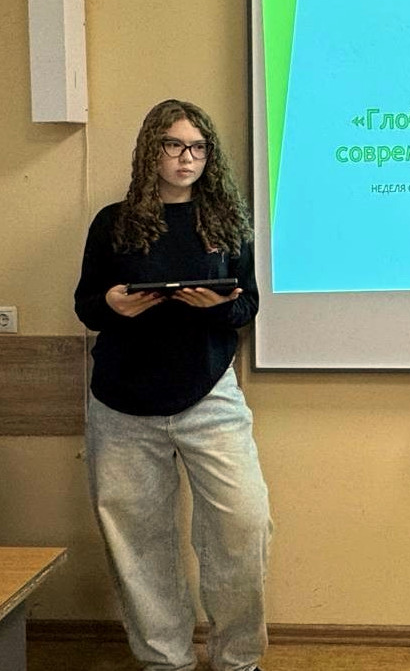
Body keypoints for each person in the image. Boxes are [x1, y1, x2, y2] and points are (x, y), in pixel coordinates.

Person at [74, 99, 270, 671]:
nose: (188, 158)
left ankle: (237, 661)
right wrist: (114, 306)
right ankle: (166, 661)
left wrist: (215, 306)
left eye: (198, 148)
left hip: (210, 396)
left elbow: (247, 305)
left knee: (244, 525)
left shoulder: (226, 220)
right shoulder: (113, 222)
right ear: (150, 150)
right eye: (175, 145)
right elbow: (88, 304)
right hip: (121, 404)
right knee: (137, 542)